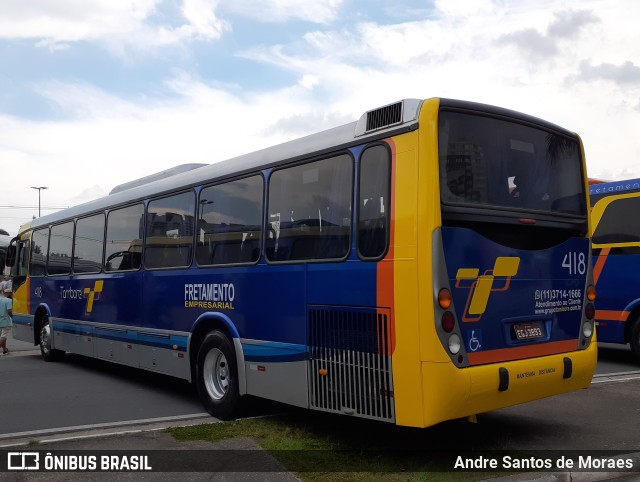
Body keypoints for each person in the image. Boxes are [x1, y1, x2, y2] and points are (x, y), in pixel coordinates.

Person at [0, 288, 12, 355]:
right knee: (4, 336)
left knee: (3, 337)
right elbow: (9, 311)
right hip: (6, 321)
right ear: (9, 293)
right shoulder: (8, 300)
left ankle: (5, 350)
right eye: (11, 293)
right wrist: (13, 318)